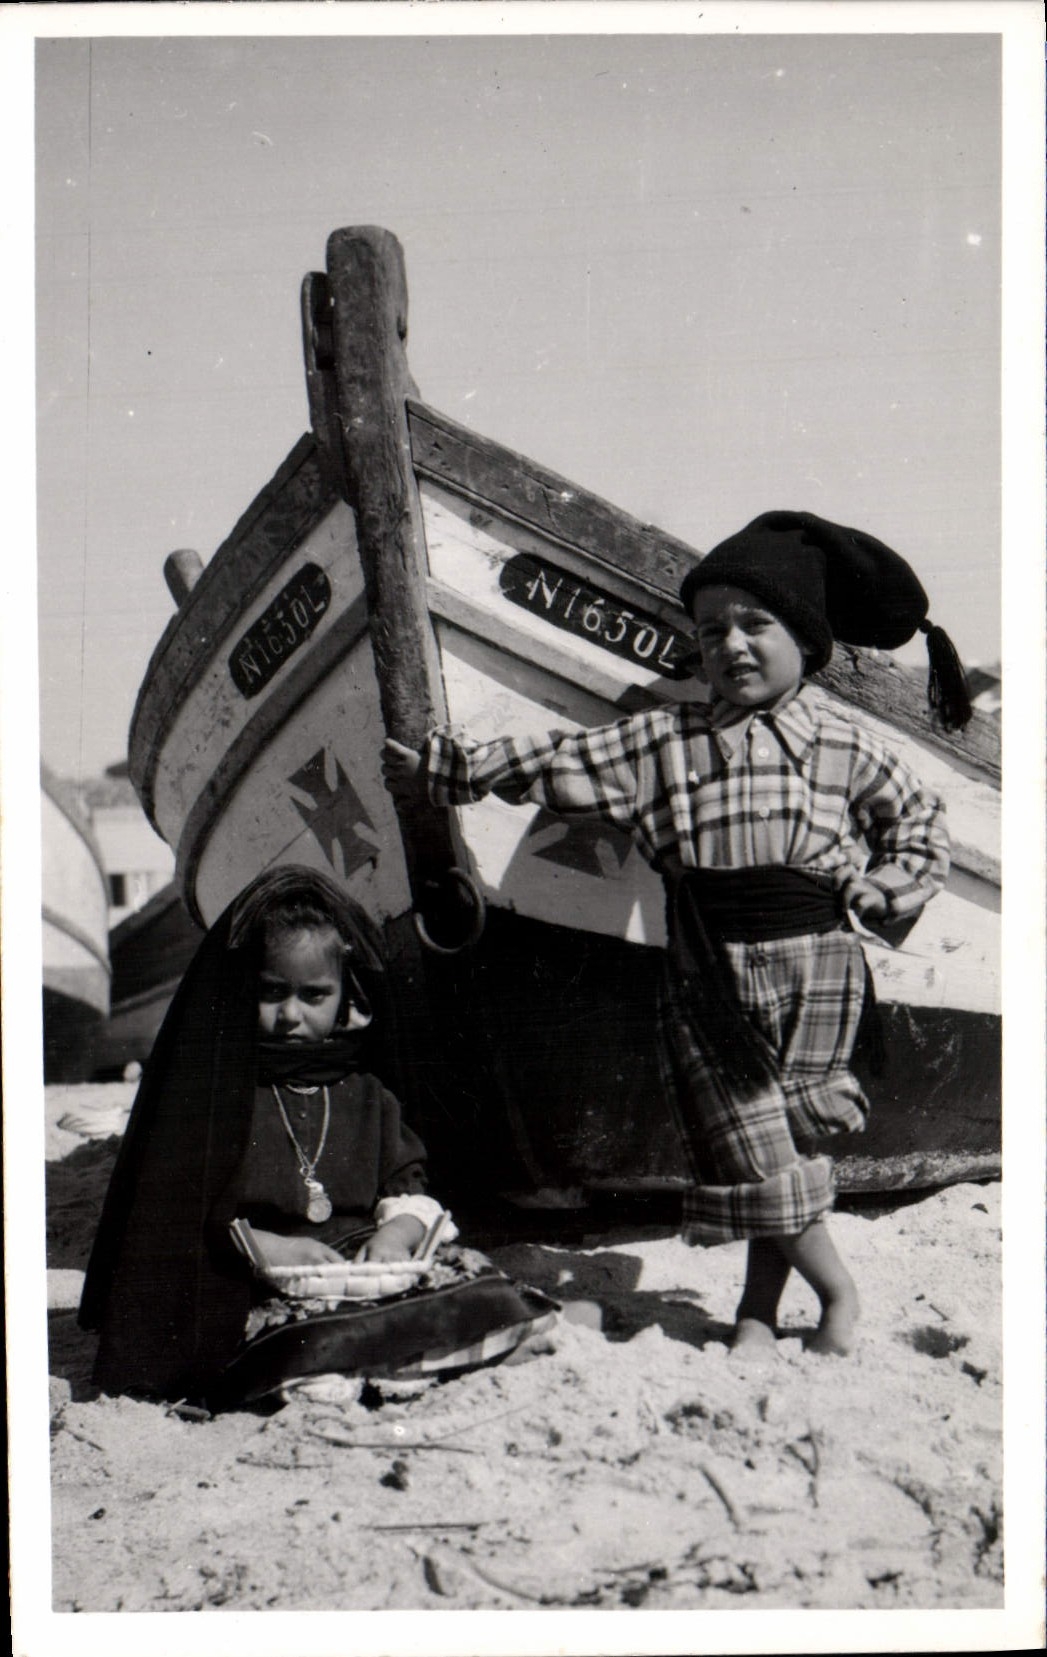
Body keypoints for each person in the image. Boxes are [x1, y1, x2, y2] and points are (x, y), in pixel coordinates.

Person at [382, 510, 970, 1358]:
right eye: (711, 630)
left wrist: (886, 887)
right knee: (750, 1143)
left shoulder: (845, 743)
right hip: (703, 978)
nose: (732, 644)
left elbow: (917, 823)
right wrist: (450, 768)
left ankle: (756, 1314)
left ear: (806, 641)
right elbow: (558, 760)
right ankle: (837, 1292)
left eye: (755, 624)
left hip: (820, 967)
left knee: (787, 1139)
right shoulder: (662, 740)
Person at [79, 866, 455, 1403]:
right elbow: (185, 1213)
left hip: (355, 1267)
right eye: (273, 992)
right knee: (262, 1334)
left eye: (314, 995)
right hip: (256, 1272)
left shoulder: (369, 1094)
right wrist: (268, 1246)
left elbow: (406, 1183)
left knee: (470, 1288)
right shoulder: (224, 1097)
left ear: (345, 995)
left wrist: (396, 1234)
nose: (290, 1015)